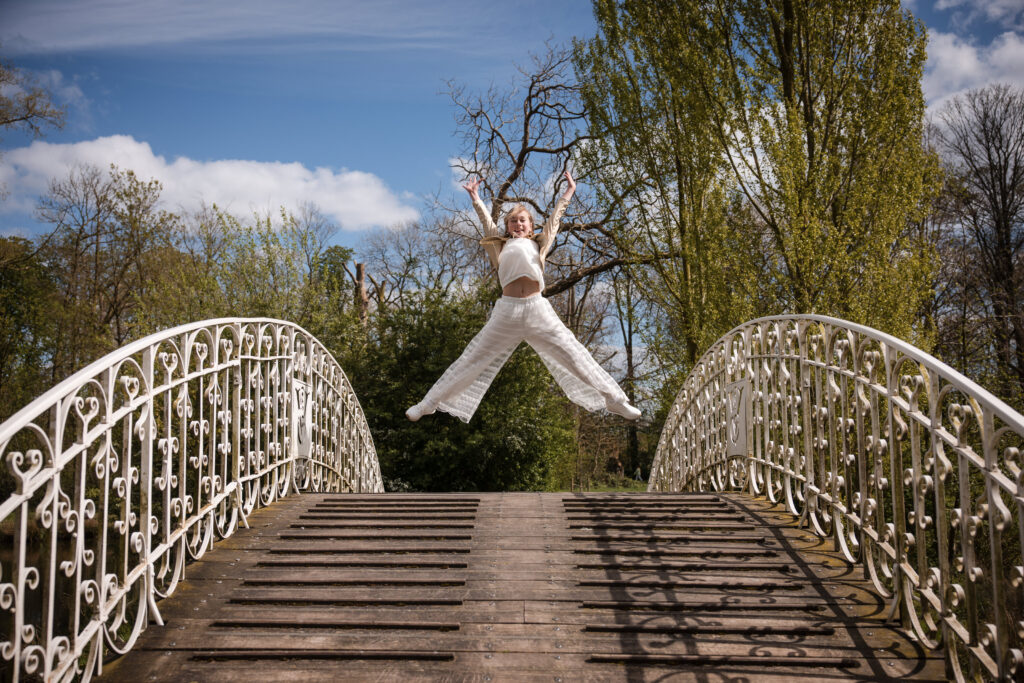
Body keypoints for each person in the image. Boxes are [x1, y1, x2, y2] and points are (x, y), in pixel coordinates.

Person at [406, 170, 641, 423]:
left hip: (537, 310)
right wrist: (476, 198)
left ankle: (615, 400)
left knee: (574, 354)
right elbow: (487, 224)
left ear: (531, 226)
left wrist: (569, 192)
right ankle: (429, 403)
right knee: (472, 358)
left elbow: (555, 219)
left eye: (523, 221)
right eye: (513, 221)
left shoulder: (539, 243)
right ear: (507, 227)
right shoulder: (500, 245)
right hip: (507, 312)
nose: (518, 224)